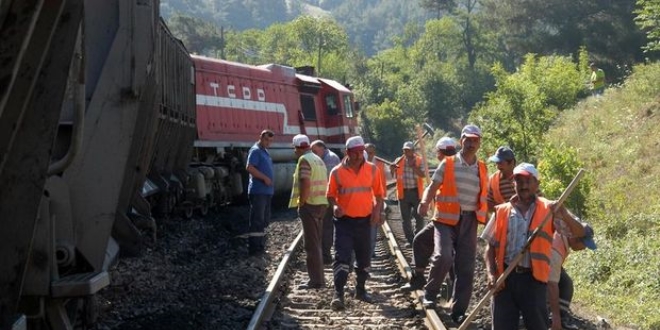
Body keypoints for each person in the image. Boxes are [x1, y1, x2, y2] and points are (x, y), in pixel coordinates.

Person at [481, 163, 586, 330]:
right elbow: (490, 247)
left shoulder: (549, 208)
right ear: (512, 183)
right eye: (519, 180)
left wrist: (564, 214)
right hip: (505, 280)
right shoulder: (502, 211)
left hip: (533, 280)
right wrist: (491, 273)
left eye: (528, 181)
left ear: (536, 184)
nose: (523, 185)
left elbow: (580, 233)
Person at [417, 124, 488, 324]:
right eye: (468, 139)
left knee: (465, 267)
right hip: (445, 220)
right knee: (443, 256)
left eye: (475, 140)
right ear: (461, 141)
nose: (471, 143)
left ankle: (458, 310)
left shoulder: (482, 168)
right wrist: (424, 202)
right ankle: (430, 293)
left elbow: (484, 196)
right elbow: (433, 186)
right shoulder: (448, 163)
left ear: (479, 143)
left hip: (470, 221)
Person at [326, 136, 385, 310]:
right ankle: (338, 294)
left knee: (364, 258)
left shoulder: (372, 170)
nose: (359, 156)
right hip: (344, 222)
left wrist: (377, 212)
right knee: (342, 257)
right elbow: (330, 195)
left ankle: (360, 290)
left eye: (361, 152)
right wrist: (335, 206)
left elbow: (380, 194)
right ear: (347, 152)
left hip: (365, 222)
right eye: (356, 153)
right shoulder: (336, 172)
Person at [400, 137, 457, 291]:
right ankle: (421, 279)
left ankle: (447, 289)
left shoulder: (448, 166)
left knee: (445, 254)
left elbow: (433, 187)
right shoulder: (451, 165)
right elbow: (434, 187)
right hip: (444, 218)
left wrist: (425, 203)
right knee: (422, 242)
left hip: (447, 221)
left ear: (440, 152)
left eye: (438, 152)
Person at [289, 134, 329, 289]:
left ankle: (316, 281)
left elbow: (305, 183)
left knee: (311, 246)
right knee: (317, 243)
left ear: (298, 147)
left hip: (310, 205)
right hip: (321, 204)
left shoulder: (304, 160)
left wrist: (302, 202)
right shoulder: (318, 159)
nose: (294, 151)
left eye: (294, 148)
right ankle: (320, 279)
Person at [548, 221, 597, 330]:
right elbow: (552, 284)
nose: (584, 248)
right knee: (560, 285)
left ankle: (562, 315)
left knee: (566, 282)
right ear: (575, 239)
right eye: (584, 244)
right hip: (533, 272)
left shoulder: (562, 236)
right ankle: (553, 317)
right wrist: (556, 318)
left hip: (547, 265)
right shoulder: (556, 250)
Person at [310, 139, 341, 264]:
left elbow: (328, 181)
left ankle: (326, 256)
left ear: (322, 148)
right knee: (326, 227)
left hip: (328, 199)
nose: (313, 153)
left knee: (327, 227)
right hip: (327, 198)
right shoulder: (326, 158)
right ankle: (325, 254)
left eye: (315, 150)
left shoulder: (330, 159)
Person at [245, 129, 275, 257]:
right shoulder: (256, 151)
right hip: (258, 191)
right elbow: (249, 167)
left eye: (271, 141)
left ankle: (260, 246)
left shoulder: (264, 152)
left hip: (266, 191)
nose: (268, 142)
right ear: (261, 138)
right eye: (267, 140)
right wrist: (264, 178)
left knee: (263, 220)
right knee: (257, 220)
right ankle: (254, 249)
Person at [390, 141, 427, 245]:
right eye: (405, 150)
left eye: (409, 150)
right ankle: (410, 240)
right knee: (405, 219)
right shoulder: (399, 161)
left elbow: (423, 175)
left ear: (413, 151)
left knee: (419, 217)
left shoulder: (419, 160)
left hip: (416, 193)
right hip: (403, 193)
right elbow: (393, 175)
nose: (406, 152)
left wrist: (414, 167)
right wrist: (392, 169)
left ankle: (418, 239)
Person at [365, 143, 388, 258]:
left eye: (371, 152)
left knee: (373, 227)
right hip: (362, 203)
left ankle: (371, 251)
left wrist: (382, 209)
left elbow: (386, 179)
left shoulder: (380, 164)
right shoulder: (358, 164)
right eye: (367, 152)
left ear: (374, 153)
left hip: (376, 201)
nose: (369, 155)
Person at [487, 146, 517, 212]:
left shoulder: (523, 177)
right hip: (504, 220)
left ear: (511, 163)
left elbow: (538, 200)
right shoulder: (493, 180)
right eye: (497, 163)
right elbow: (488, 202)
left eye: (500, 163)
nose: (498, 166)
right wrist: (503, 209)